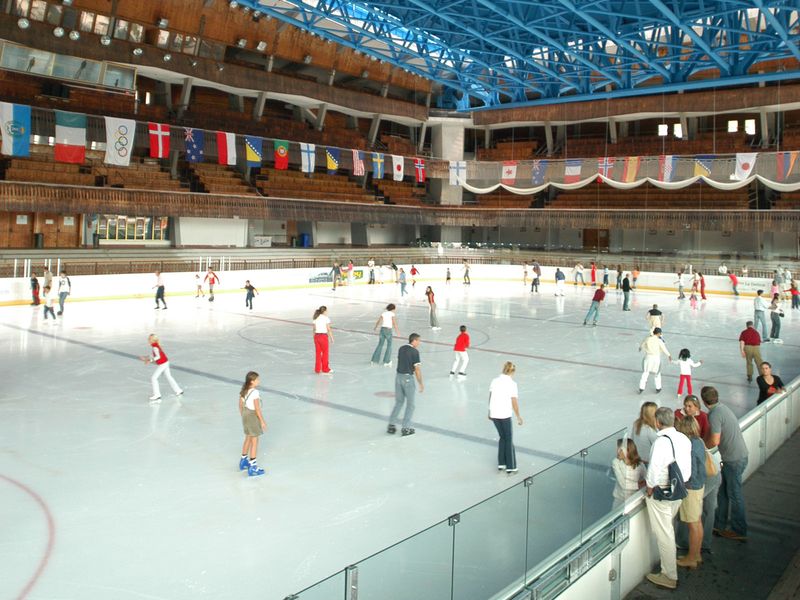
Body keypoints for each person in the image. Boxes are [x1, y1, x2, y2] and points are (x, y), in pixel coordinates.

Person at [644, 407, 692, 590]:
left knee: (665, 534)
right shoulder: (683, 438)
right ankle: (668, 570)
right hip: (679, 491)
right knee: (667, 529)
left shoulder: (661, 442)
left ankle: (669, 575)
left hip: (663, 493)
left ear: (658, 422)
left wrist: (649, 488)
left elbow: (654, 469)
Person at [702, 386, 749, 542]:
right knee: (723, 492)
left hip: (733, 460)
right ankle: (719, 524)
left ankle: (739, 530)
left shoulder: (714, 414)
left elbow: (714, 440)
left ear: (703, 400)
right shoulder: (722, 409)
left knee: (735, 495)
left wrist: (702, 447)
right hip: (737, 457)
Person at [674, 415, 707, 569]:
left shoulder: (689, 446)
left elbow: (691, 470)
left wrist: (684, 484)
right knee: (697, 521)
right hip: (699, 485)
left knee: (692, 523)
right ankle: (696, 553)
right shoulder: (699, 441)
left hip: (692, 488)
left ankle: (691, 558)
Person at [488, 362, 523, 474]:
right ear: (512, 372)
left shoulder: (494, 381)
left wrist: (489, 411)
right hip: (504, 414)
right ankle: (511, 466)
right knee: (508, 439)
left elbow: (490, 396)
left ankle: (501, 463)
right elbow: (514, 402)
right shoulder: (512, 384)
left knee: (502, 437)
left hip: (494, 414)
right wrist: (518, 416)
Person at [388, 333, 423, 437]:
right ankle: (406, 428)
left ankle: (391, 425)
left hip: (398, 377)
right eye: (419, 341)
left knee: (399, 402)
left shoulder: (401, 348)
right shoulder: (415, 352)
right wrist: (420, 383)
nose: (419, 343)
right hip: (408, 379)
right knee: (411, 405)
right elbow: (417, 370)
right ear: (414, 340)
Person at [238, 371, 267, 477]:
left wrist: (243, 415)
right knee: (255, 440)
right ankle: (253, 466)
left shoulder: (244, 391)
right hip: (252, 416)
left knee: (248, 438)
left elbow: (240, 405)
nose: (259, 381)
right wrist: (262, 421)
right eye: (257, 380)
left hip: (245, 414)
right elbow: (257, 409)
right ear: (252, 381)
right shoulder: (255, 392)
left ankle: (243, 461)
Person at [140, 333, 183, 402]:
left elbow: (158, 357)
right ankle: (178, 390)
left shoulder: (155, 347)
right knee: (169, 377)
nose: (148, 340)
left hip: (163, 364)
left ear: (152, 340)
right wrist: (147, 357)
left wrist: (150, 360)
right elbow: (155, 355)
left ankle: (157, 395)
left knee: (154, 378)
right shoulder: (155, 346)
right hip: (165, 362)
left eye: (149, 339)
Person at [611, 438, 646, 505]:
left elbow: (647, 480)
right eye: (617, 449)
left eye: (620, 449)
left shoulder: (640, 464)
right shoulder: (616, 462)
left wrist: (643, 484)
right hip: (619, 499)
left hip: (634, 499)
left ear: (628, 450)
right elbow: (623, 484)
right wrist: (638, 485)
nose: (617, 451)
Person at [639, 328, 671, 394]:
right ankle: (658, 388)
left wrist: (641, 348)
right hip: (656, 358)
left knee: (645, 372)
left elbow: (642, 344)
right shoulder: (659, 341)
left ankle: (641, 387)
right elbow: (664, 348)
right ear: (658, 333)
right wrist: (669, 355)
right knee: (657, 373)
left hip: (648, 357)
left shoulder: (647, 338)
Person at [312, 306, 333, 374]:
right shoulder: (326, 318)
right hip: (323, 337)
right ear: (324, 311)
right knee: (325, 353)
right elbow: (328, 329)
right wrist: (331, 338)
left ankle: (317, 369)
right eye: (327, 311)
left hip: (316, 337)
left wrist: (314, 337)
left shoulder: (316, 318)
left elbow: (314, 329)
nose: (327, 312)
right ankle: (325, 369)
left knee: (318, 353)